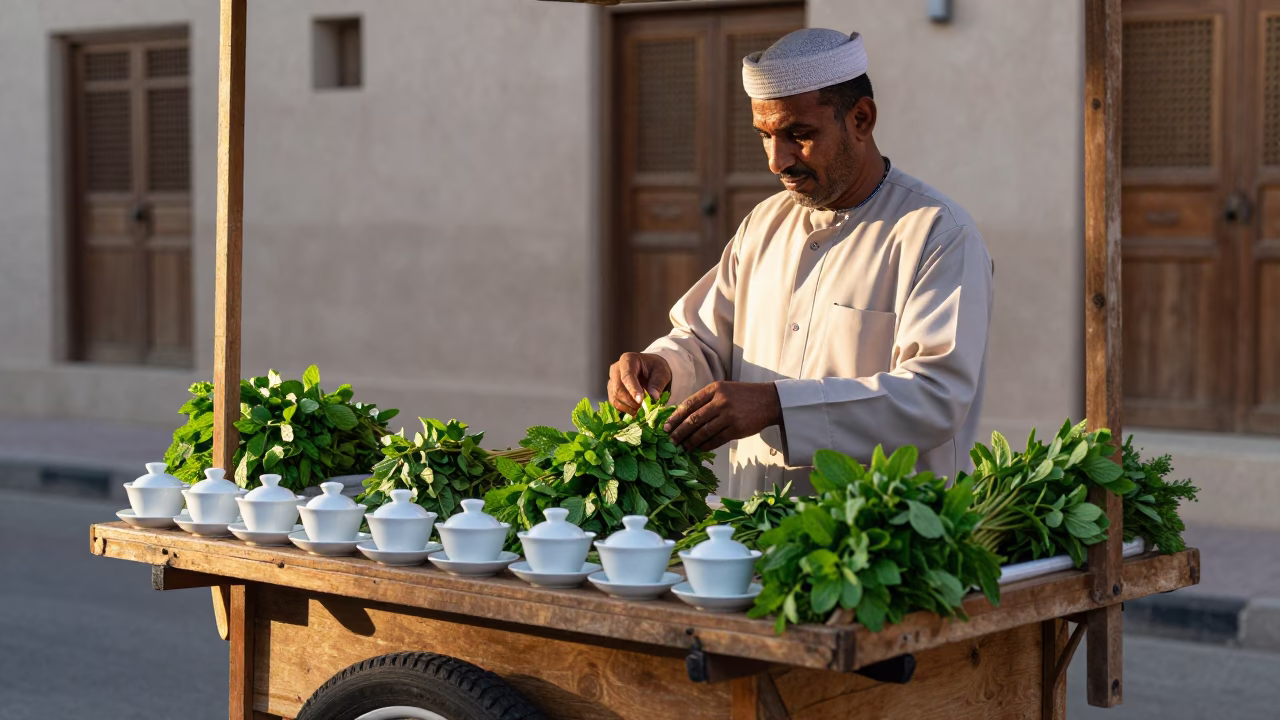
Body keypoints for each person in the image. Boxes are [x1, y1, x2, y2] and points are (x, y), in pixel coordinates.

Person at [606, 28, 994, 498]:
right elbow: (704, 342)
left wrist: (778, 405)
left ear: (862, 119)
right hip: (747, 531)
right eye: (765, 136)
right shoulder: (765, 224)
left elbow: (935, 398)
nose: (776, 161)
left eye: (799, 135)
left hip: (878, 545)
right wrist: (662, 367)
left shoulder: (938, 234)